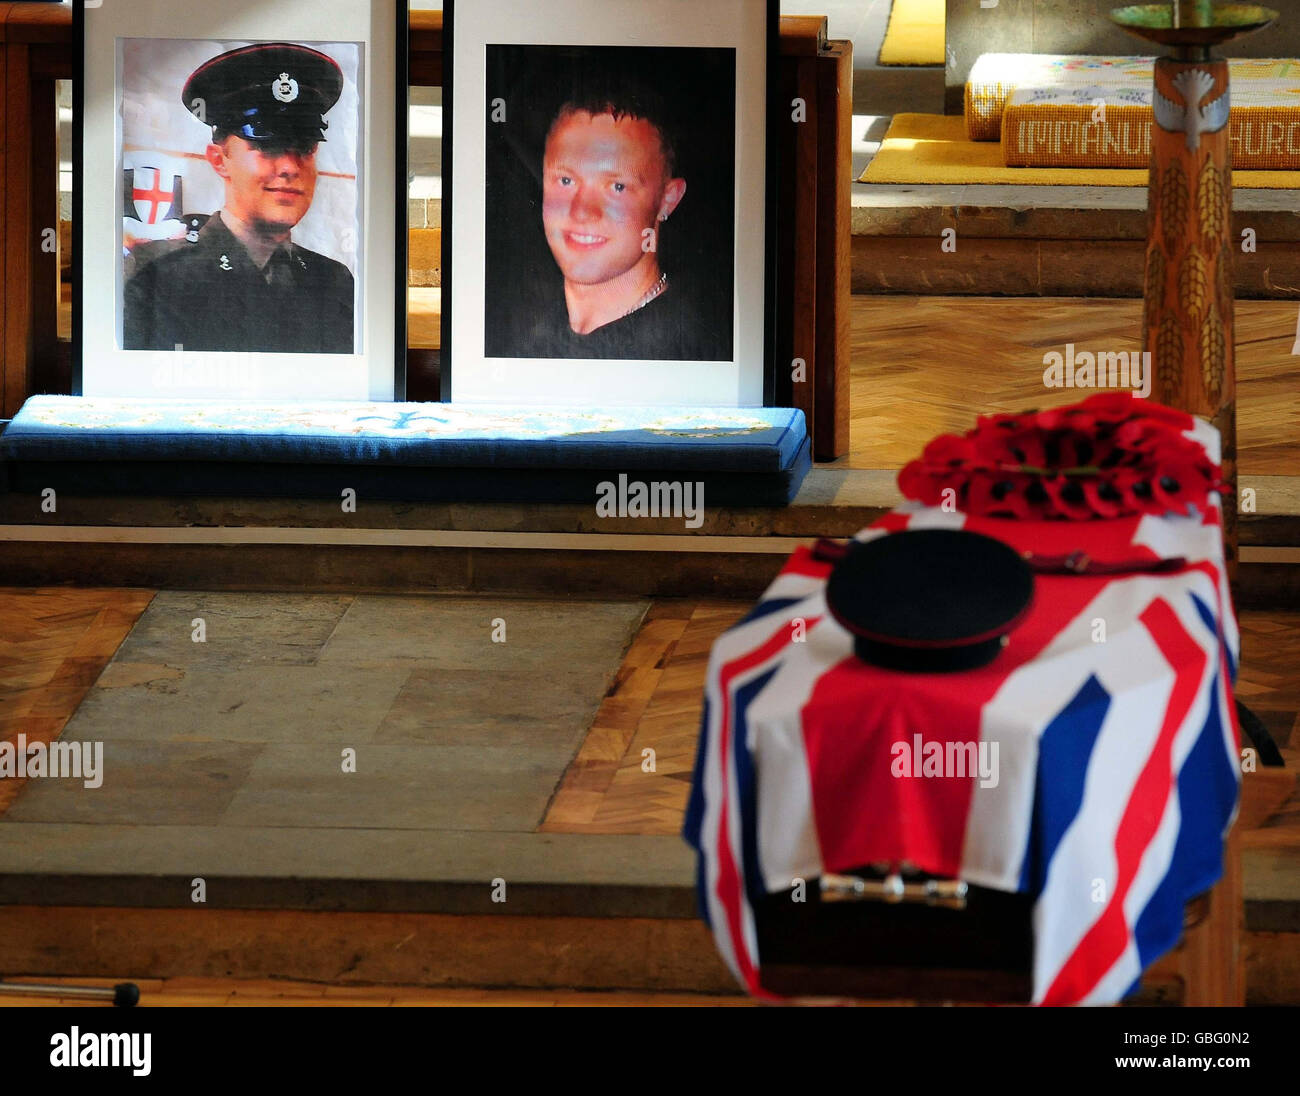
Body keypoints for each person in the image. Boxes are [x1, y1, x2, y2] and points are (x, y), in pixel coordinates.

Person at [123, 43, 355, 354]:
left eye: (304, 147)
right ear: (219, 160)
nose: (289, 167)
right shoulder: (158, 273)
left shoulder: (333, 279)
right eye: (268, 147)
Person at [487, 83, 725, 361]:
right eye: (566, 180)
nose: (583, 212)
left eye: (617, 187)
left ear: (667, 199)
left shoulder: (693, 348)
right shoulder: (511, 329)